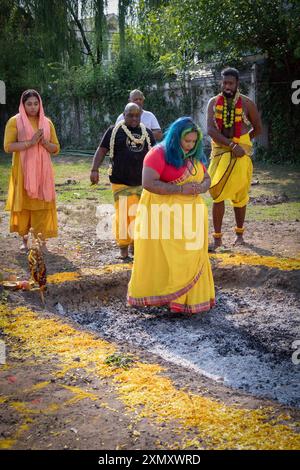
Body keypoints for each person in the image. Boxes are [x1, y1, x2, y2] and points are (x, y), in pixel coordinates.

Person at [127, 117, 215, 315]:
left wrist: (201, 186)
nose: (190, 145)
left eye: (194, 141)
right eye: (187, 141)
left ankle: (187, 300)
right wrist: (180, 189)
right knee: (170, 258)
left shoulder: (195, 153)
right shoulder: (158, 154)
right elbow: (148, 183)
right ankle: (169, 297)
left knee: (192, 256)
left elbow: (207, 178)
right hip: (164, 215)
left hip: (192, 218)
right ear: (176, 138)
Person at [90, 102, 155, 259]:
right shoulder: (114, 131)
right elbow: (102, 150)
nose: (134, 118)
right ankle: (123, 250)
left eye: (137, 115)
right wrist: (94, 169)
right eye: (130, 115)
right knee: (123, 216)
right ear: (123, 115)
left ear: (141, 116)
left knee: (140, 216)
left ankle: (136, 245)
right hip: (121, 181)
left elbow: (155, 155)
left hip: (142, 183)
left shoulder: (147, 132)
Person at [207, 67, 262, 249]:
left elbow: (257, 128)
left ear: (237, 83)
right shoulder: (213, 103)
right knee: (217, 193)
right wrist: (232, 146)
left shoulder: (247, 103)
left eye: (230, 83)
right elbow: (211, 130)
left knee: (240, 194)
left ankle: (239, 235)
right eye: (224, 83)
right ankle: (217, 238)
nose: (227, 86)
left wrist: (243, 144)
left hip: (241, 155)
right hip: (220, 152)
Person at [3, 89, 60, 251]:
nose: (33, 107)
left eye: (36, 103)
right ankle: (24, 240)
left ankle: (40, 240)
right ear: (23, 104)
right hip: (23, 171)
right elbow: (8, 146)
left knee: (41, 205)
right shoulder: (15, 121)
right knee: (24, 205)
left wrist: (44, 143)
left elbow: (56, 148)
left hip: (43, 172)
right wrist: (31, 142)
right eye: (29, 104)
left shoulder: (46, 122)